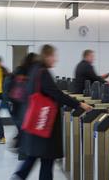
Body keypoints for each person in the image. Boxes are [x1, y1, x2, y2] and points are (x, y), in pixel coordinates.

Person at [11, 45, 92, 180]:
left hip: (36, 121)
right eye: (54, 56)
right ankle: (19, 176)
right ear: (47, 56)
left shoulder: (35, 70)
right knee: (46, 157)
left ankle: (18, 176)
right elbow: (55, 93)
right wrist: (79, 104)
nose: (56, 59)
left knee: (36, 156)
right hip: (44, 122)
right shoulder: (43, 72)